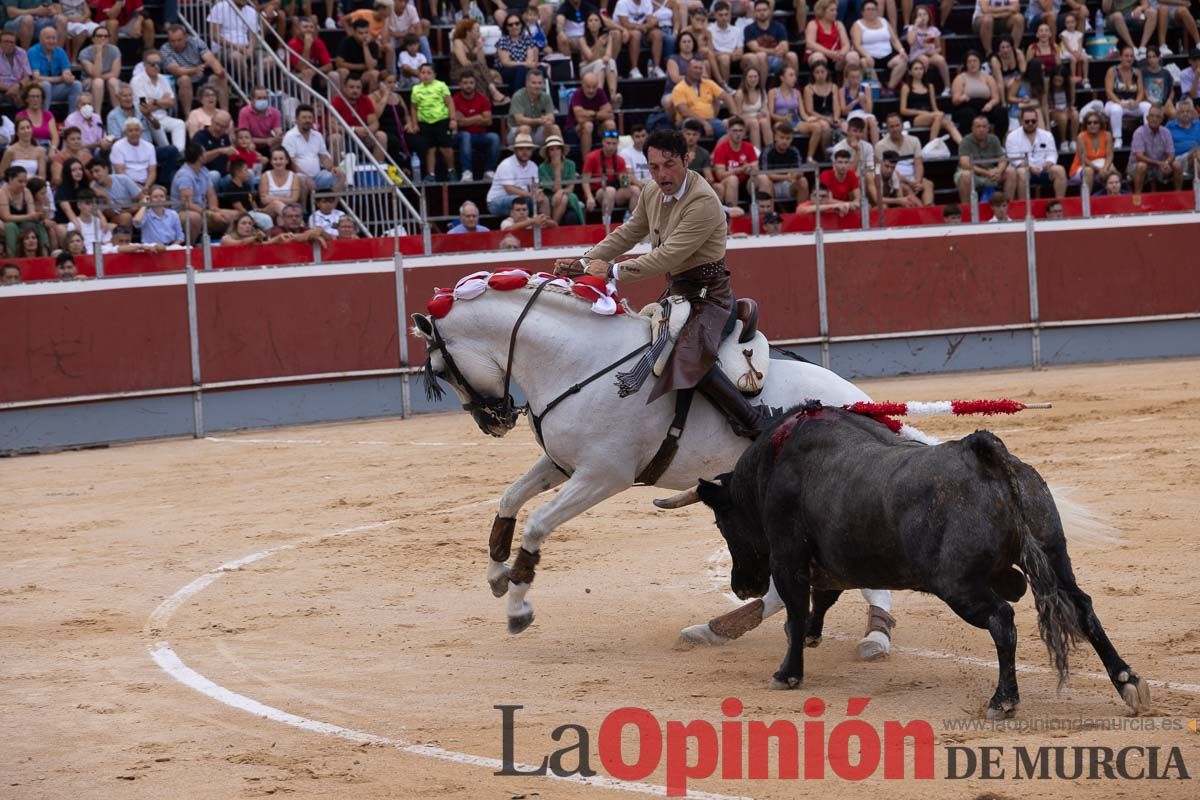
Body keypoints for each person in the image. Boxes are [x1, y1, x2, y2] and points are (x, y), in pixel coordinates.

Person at [554, 128, 779, 438]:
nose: (661, 174)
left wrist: (610, 272)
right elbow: (629, 232)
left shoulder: (702, 201)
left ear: (686, 159)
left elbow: (667, 257)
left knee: (688, 358)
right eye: (654, 167)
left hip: (710, 297)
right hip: (679, 293)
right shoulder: (651, 191)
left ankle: (754, 422)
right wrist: (583, 262)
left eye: (669, 164)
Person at [171, 142, 236, 239]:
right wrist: (210, 214)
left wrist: (215, 209)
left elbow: (211, 194)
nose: (207, 154)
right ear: (200, 157)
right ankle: (191, 247)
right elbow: (187, 204)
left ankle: (226, 243)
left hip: (202, 209)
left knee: (236, 216)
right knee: (194, 218)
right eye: (204, 152)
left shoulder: (203, 170)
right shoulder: (184, 176)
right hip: (183, 212)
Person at [162, 23, 229, 114]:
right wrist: (195, 70)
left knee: (219, 77)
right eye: (172, 41)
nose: (176, 43)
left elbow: (210, 59)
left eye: (179, 40)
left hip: (200, 76)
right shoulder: (165, 49)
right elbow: (177, 71)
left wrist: (219, 71)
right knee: (184, 79)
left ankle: (225, 114)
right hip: (180, 80)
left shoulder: (196, 42)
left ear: (186, 37)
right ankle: (188, 116)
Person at [582, 121, 639, 219]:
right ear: (603, 142)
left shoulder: (620, 160)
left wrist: (626, 180)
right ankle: (606, 222)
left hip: (615, 189)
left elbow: (623, 182)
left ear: (617, 144)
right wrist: (589, 197)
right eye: (608, 143)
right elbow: (585, 180)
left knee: (635, 190)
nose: (611, 147)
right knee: (610, 191)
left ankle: (632, 220)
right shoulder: (592, 157)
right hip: (598, 191)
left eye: (614, 144)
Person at [130, 49, 186, 150]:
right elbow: (144, 107)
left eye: (159, 63)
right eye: (152, 64)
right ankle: (170, 151)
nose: (156, 67)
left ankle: (178, 152)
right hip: (147, 119)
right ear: (145, 65)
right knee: (156, 124)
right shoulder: (137, 81)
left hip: (163, 117)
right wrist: (162, 102)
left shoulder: (163, 79)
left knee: (180, 123)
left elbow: (172, 102)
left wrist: (155, 101)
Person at [282, 104, 345, 192]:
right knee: (302, 180)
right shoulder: (290, 136)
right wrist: (306, 177)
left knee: (340, 175)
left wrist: (332, 168)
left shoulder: (317, 135)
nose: (307, 120)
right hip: (298, 176)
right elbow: (291, 163)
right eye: (304, 118)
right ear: (297, 119)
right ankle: (304, 206)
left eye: (310, 117)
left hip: (318, 176)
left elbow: (324, 157)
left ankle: (331, 203)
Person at [410, 63, 456, 182]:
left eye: (429, 73)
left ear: (434, 75)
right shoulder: (416, 89)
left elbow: (449, 103)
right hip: (425, 123)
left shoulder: (441, 85)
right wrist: (415, 124)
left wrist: (453, 119)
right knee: (430, 148)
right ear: (419, 75)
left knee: (445, 147)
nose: (425, 75)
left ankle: (451, 171)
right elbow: (413, 108)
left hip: (441, 120)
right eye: (423, 72)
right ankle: (431, 174)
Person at [1006, 107, 1067, 198]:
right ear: (1021, 121)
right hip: (1024, 169)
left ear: (1037, 121)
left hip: (1044, 169)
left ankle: (1059, 203)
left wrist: (1048, 163)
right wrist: (1030, 168)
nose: (1030, 123)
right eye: (1027, 121)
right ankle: (1023, 206)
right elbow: (1015, 159)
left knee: (1060, 170)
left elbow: (1052, 154)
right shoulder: (1012, 137)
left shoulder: (1047, 135)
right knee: (1022, 173)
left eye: (1033, 121)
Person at [957, 113, 1016, 203]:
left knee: (1011, 171)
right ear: (972, 128)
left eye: (984, 127)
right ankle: (967, 210)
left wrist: (999, 171)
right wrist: (986, 173)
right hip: (974, 174)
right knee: (965, 175)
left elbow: (1002, 158)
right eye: (978, 126)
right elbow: (965, 164)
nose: (981, 129)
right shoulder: (966, 140)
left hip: (991, 173)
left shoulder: (994, 139)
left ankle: (1008, 206)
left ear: (988, 128)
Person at [449, 18, 509, 107]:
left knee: (487, 73)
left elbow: (482, 62)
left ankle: (486, 101)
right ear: (468, 32)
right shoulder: (458, 42)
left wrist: (479, 48)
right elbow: (464, 63)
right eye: (477, 30)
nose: (479, 33)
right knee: (477, 74)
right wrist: (476, 50)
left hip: (475, 70)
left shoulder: (476, 42)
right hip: (459, 72)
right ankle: (492, 95)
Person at [876, 112, 933, 204]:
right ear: (887, 129)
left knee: (928, 184)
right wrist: (908, 182)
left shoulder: (914, 140)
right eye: (892, 126)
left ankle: (928, 207)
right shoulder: (880, 146)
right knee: (903, 186)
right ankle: (923, 210)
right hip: (894, 179)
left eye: (897, 125)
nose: (895, 129)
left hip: (913, 178)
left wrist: (917, 182)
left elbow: (918, 164)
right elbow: (883, 170)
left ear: (902, 126)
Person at [488, 131, 549, 218]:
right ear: (515, 150)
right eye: (521, 149)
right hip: (496, 202)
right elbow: (509, 189)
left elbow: (534, 187)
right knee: (519, 202)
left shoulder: (533, 166)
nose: (525, 152)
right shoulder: (506, 164)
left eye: (528, 149)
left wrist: (538, 194)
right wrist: (530, 195)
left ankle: (546, 227)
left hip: (522, 198)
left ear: (532, 151)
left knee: (544, 199)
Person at [853, 0, 908, 91]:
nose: (871, 11)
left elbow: (894, 40)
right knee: (864, 62)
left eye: (873, 9)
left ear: (877, 11)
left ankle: (890, 88)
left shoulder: (884, 21)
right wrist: (866, 55)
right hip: (870, 56)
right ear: (862, 12)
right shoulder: (858, 24)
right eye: (868, 9)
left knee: (903, 60)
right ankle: (878, 88)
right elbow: (857, 44)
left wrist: (902, 50)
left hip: (888, 55)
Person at [900, 59, 960, 144]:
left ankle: (963, 147)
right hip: (915, 117)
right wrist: (921, 112)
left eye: (921, 69)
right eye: (916, 69)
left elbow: (934, 107)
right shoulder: (906, 87)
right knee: (939, 114)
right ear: (910, 72)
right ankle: (931, 145)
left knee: (948, 123)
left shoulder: (930, 86)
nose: (919, 71)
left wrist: (938, 115)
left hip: (932, 115)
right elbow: (903, 110)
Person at [27, 21, 81, 113]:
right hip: (38, 88)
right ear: (40, 39)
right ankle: (44, 117)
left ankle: (72, 119)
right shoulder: (33, 51)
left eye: (54, 38)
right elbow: (37, 77)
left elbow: (66, 72)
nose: (51, 41)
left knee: (77, 84)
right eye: (48, 38)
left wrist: (68, 77)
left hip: (55, 89)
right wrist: (61, 78)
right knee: (45, 84)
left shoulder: (60, 51)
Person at [672, 57, 733, 138]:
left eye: (700, 68)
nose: (698, 71)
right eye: (695, 68)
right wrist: (704, 123)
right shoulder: (679, 88)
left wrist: (734, 116)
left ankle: (716, 151)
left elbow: (726, 96)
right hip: (689, 121)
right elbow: (684, 112)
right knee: (690, 126)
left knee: (729, 131)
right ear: (688, 68)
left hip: (710, 121)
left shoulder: (709, 83)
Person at [453, 73, 498, 181]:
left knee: (494, 137)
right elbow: (458, 123)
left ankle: (489, 171)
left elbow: (488, 121)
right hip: (460, 136)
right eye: (465, 83)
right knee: (466, 135)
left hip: (479, 134)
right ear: (460, 84)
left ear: (475, 84)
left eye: (471, 83)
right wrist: (478, 117)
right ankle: (467, 171)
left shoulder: (482, 99)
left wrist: (467, 120)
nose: (468, 85)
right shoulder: (454, 100)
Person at [951, 50, 1006, 137]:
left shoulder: (988, 78)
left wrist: (990, 104)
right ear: (966, 64)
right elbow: (955, 100)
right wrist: (962, 98)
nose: (972, 64)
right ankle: (969, 144)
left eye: (975, 61)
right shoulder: (960, 78)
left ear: (980, 62)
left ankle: (998, 141)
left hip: (985, 106)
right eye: (969, 62)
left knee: (1001, 112)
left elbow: (996, 98)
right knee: (968, 114)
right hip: (967, 106)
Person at [332, 74, 388, 158]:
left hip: (362, 136)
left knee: (381, 136)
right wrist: (353, 130)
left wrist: (366, 130)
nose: (355, 90)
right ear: (344, 88)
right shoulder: (337, 101)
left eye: (358, 88)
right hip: (344, 136)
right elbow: (332, 125)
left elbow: (374, 123)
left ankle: (377, 169)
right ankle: (339, 170)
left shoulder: (365, 100)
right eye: (352, 87)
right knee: (335, 138)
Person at [0, 164, 48, 254]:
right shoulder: (2, 192)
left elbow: (32, 214)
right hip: (5, 224)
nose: (23, 185)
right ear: (10, 179)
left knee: (36, 225)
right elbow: (6, 217)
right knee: (10, 226)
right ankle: (13, 256)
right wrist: (29, 217)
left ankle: (44, 253)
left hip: (23, 223)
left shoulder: (26, 191)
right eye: (20, 181)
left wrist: (40, 215)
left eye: (25, 182)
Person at [743, 0, 797, 78]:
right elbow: (755, 48)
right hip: (758, 61)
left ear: (769, 11)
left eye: (764, 10)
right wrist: (773, 51)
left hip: (777, 59)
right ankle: (762, 89)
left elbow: (785, 46)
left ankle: (794, 86)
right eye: (759, 10)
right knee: (762, 55)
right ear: (754, 13)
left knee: (792, 56)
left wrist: (781, 50)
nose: (762, 13)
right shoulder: (749, 29)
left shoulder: (779, 26)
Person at [710, 115, 757, 206]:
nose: (738, 134)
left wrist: (750, 169)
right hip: (726, 183)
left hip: (745, 182)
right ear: (728, 131)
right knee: (733, 179)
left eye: (740, 131)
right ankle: (732, 215)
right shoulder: (721, 148)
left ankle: (766, 214)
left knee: (762, 178)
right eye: (735, 131)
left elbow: (756, 168)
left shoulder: (749, 147)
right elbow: (720, 175)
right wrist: (740, 169)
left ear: (744, 132)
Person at [1128, 103, 1175, 193]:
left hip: (1159, 166)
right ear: (1147, 118)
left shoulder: (1166, 132)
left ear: (1162, 120)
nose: (1154, 119)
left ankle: (1178, 196)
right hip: (1137, 166)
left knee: (1177, 165)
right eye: (1152, 116)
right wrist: (1159, 163)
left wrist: (1166, 163)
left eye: (1158, 117)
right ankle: (1138, 196)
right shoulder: (1139, 132)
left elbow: (1171, 153)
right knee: (1142, 166)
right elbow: (1139, 156)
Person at [538, 133, 584, 224]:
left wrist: (561, 191)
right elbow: (552, 188)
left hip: (567, 194)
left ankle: (554, 224)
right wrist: (556, 170)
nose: (555, 152)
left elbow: (571, 188)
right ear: (548, 152)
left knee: (564, 198)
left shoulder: (571, 164)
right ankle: (547, 224)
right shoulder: (542, 167)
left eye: (558, 148)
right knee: (546, 199)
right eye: (552, 149)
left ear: (562, 150)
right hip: (549, 195)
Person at [565, 72, 612, 159]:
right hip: (575, 130)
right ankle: (586, 164)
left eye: (594, 87)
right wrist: (599, 113)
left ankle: (610, 160)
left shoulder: (600, 93)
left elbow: (609, 115)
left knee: (610, 124)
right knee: (588, 125)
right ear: (582, 85)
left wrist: (592, 114)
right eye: (588, 87)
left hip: (596, 128)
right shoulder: (577, 94)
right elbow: (580, 118)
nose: (591, 90)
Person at [208, 0, 260, 78]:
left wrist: (251, 48)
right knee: (237, 57)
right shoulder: (220, 7)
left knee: (270, 59)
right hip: (223, 48)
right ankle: (247, 83)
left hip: (245, 47)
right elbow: (214, 35)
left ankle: (251, 76)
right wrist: (236, 47)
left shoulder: (251, 11)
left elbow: (253, 35)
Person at [614, 0, 665, 79]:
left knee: (657, 34)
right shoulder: (622, 2)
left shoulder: (646, 2)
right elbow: (625, 24)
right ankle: (634, 69)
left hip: (642, 29)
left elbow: (650, 21)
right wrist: (643, 27)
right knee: (636, 34)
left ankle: (656, 68)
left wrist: (650, 23)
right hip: (624, 31)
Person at [579, 11, 620, 106]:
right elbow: (590, 58)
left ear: (601, 24)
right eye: (590, 21)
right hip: (586, 68)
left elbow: (608, 54)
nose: (593, 23)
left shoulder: (607, 36)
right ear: (587, 25)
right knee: (599, 62)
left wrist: (606, 57)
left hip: (601, 64)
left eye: (596, 20)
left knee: (611, 61)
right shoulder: (582, 39)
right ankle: (599, 97)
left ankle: (613, 97)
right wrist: (598, 45)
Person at [905, 5, 950, 92]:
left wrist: (934, 51)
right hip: (916, 54)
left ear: (929, 16)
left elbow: (939, 48)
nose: (922, 17)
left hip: (930, 53)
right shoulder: (912, 28)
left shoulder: (933, 30)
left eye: (925, 14)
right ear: (915, 17)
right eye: (920, 15)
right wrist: (916, 25)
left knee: (940, 59)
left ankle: (947, 87)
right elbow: (910, 41)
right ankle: (924, 86)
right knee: (924, 60)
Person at [507, 68, 556, 146]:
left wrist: (547, 120)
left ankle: (559, 157)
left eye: (540, 83)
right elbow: (520, 120)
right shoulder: (518, 96)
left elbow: (551, 117)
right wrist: (540, 120)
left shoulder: (546, 97)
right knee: (525, 128)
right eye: (534, 83)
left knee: (554, 128)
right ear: (526, 83)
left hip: (537, 132)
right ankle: (524, 157)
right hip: (517, 132)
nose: (537, 86)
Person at [1070, 109, 1118, 188]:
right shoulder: (1081, 136)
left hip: (1101, 164)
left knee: (1112, 169)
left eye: (1095, 122)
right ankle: (1087, 199)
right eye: (1089, 123)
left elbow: (1110, 155)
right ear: (1086, 125)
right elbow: (1083, 159)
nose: (1092, 125)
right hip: (1082, 167)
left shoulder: (1107, 135)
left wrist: (1104, 168)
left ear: (1100, 124)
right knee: (1089, 171)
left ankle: (1113, 196)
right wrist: (1099, 170)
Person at [77, 26, 121, 112]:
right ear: (93, 39)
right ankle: (97, 116)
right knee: (98, 82)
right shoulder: (84, 53)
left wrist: (101, 77)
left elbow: (115, 73)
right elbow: (95, 74)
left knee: (113, 81)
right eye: (99, 36)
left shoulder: (115, 50)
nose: (103, 38)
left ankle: (118, 114)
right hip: (89, 82)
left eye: (106, 36)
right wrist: (99, 53)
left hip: (108, 81)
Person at [89, 156, 140, 225]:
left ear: (106, 169)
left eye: (97, 171)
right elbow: (110, 215)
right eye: (92, 173)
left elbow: (142, 199)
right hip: (112, 218)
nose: (94, 175)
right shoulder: (94, 188)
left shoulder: (123, 179)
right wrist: (106, 198)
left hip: (131, 211)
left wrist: (129, 210)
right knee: (126, 217)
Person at [336, 17, 382, 91]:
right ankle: (344, 99)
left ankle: (370, 101)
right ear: (354, 33)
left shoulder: (373, 44)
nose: (364, 36)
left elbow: (371, 67)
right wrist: (362, 66)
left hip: (363, 76)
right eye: (360, 33)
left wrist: (365, 46)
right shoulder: (346, 41)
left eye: (366, 32)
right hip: (349, 74)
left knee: (374, 74)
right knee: (343, 71)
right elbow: (339, 63)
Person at [110, 117, 157, 190]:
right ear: (125, 133)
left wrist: (146, 186)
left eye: (136, 130)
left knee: (161, 191)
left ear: (141, 132)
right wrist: (137, 188)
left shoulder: (150, 147)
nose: (134, 133)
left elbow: (152, 172)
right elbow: (120, 172)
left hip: (146, 185)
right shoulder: (117, 146)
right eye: (130, 131)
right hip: (125, 185)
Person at [806, 0, 852, 71]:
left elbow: (846, 44)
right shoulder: (813, 24)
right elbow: (810, 44)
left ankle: (848, 81)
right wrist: (829, 53)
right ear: (822, 11)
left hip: (837, 57)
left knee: (852, 56)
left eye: (836, 10)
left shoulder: (839, 24)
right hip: (820, 54)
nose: (835, 13)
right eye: (832, 10)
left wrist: (841, 54)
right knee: (818, 57)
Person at [735, 65, 772, 151]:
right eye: (750, 77)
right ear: (745, 78)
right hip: (744, 121)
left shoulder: (762, 91)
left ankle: (769, 152)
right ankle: (756, 154)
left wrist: (763, 114)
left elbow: (765, 110)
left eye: (755, 76)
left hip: (758, 119)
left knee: (764, 121)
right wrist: (754, 117)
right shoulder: (740, 93)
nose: (753, 79)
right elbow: (738, 115)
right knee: (754, 122)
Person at [259, 146, 302, 219]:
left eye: (281, 159)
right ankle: (298, 223)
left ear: (287, 160)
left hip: (288, 210)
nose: (278, 162)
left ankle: (290, 228)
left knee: (280, 219)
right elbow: (264, 200)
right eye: (275, 159)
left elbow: (294, 199)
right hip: (269, 210)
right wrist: (284, 200)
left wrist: (272, 198)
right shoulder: (265, 176)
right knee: (276, 204)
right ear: (271, 162)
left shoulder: (293, 176)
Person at [1166, 99, 1199, 190]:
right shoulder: (1170, 126)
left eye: (1188, 111)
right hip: (1179, 159)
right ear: (1177, 114)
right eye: (1182, 112)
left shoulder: (1198, 125)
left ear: (1192, 114)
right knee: (1197, 152)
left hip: (1196, 161)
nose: (1185, 114)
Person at [707, 1, 741, 87]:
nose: (724, 18)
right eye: (721, 15)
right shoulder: (709, 30)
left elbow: (740, 51)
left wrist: (736, 54)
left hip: (735, 59)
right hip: (718, 60)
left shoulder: (737, 30)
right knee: (724, 58)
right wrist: (728, 54)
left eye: (726, 14)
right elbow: (711, 52)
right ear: (715, 15)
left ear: (730, 15)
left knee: (753, 59)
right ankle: (726, 88)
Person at [268, 202, 333, 245]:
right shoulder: (276, 229)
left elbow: (333, 239)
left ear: (302, 217)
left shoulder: (305, 229)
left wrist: (321, 231)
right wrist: (309, 235)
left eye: (297, 216)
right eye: (290, 216)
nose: (294, 219)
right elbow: (286, 239)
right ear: (283, 218)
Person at [15, 83, 55, 150]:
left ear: (42, 99)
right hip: (28, 148)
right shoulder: (20, 116)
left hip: (47, 147)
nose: (36, 99)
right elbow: (19, 137)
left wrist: (53, 149)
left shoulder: (48, 115)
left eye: (38, 96)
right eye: (32, 96)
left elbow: (55, 137)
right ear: (26, 99)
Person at [0, 30, 33, 112]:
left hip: (19, 87)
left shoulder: (21, 53)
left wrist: (18, 86)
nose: (9, 44)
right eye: (6, 42)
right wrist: (10, 89)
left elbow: (27, 76)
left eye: (12, 42)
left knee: (34, 91)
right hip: (2, 89)